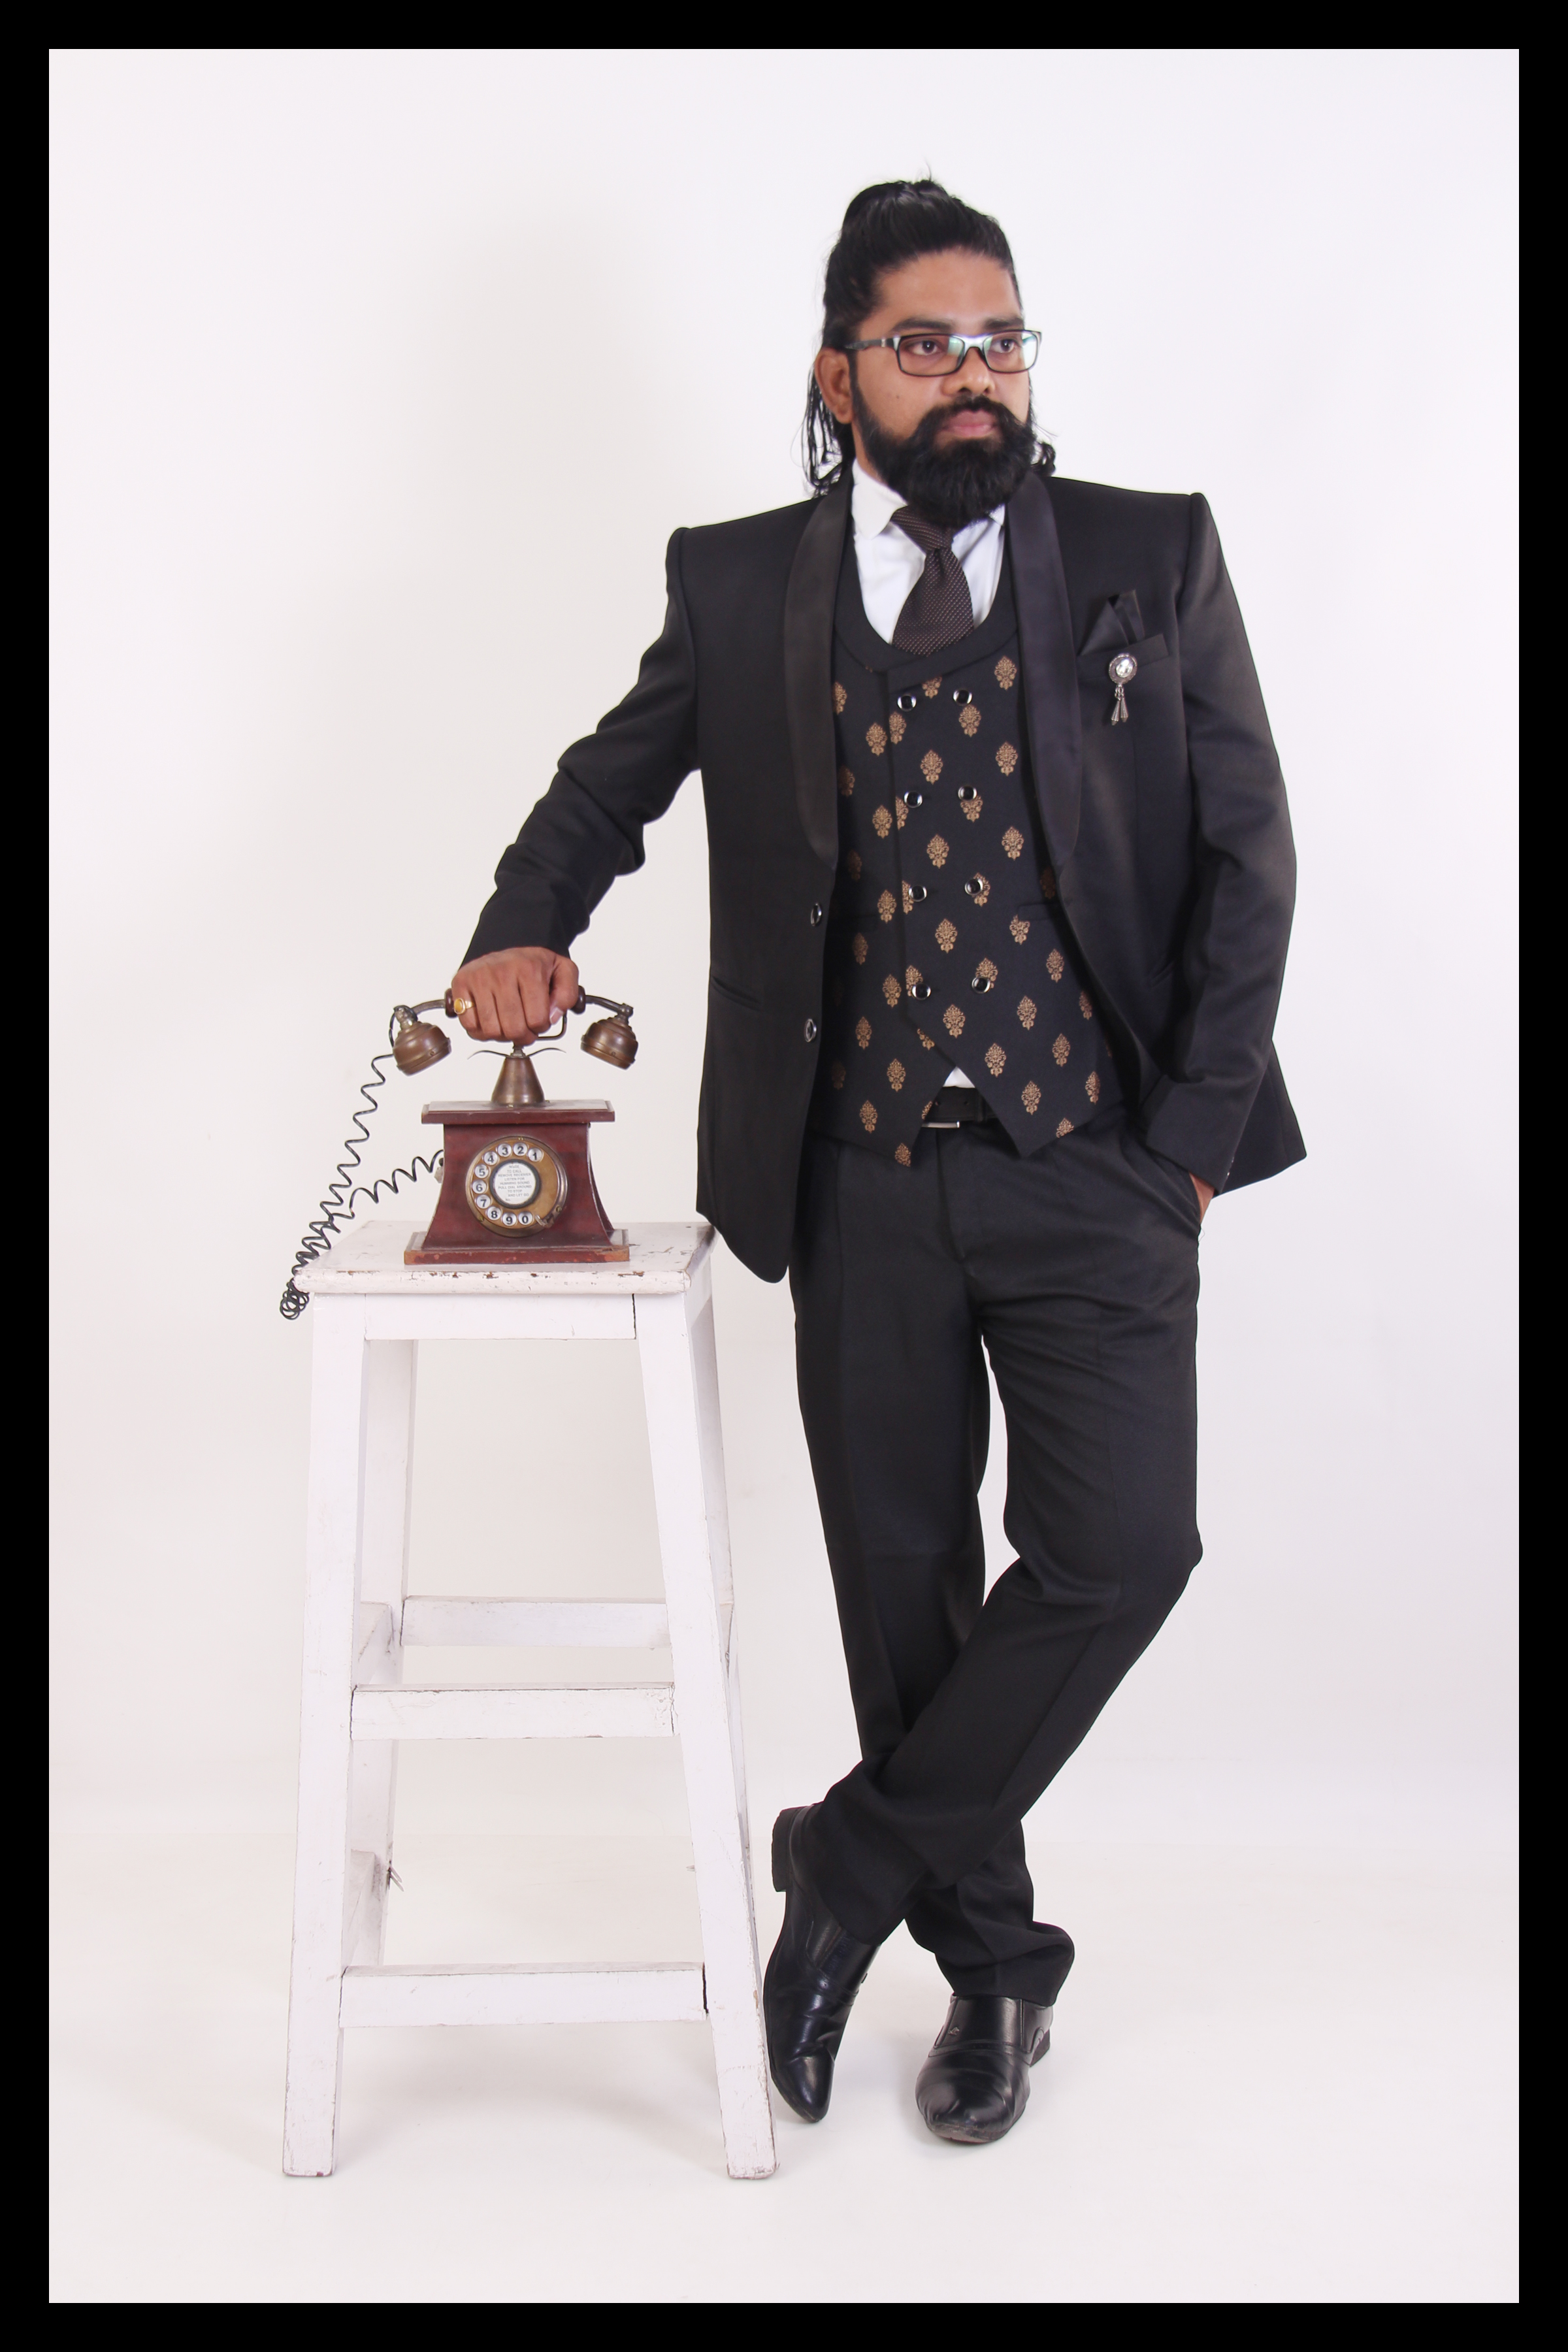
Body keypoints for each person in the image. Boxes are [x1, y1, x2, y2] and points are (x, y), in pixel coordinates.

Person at [449, 179, 1303, 2144]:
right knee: (902, 1589)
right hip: (859, 1176)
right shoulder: (744, 584)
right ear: (840, 378)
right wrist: (520, 926)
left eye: (1000, 341)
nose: (973, 376)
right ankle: (994, 1976)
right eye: (927, 346)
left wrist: (1184, 1147)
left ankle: (843, 1864)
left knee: (1122, 1553)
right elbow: (607, 786)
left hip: (1095, 1162)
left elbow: (1250, 854)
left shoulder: (1148, 556)